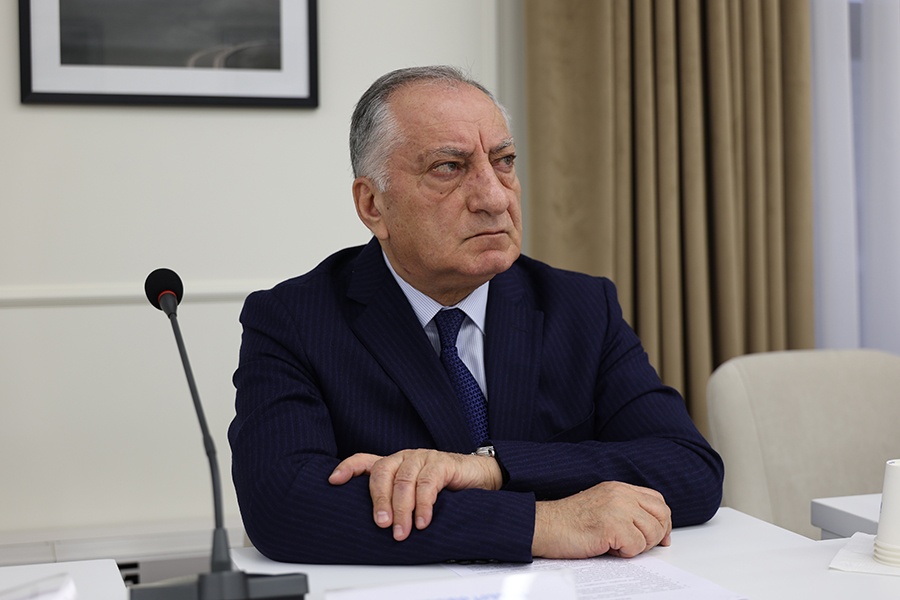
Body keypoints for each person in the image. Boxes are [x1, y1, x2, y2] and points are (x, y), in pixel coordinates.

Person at [228, 66, 724, 565]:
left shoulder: (580, 305)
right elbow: (283, 503)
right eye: (449, 167)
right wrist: (541, 524)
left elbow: (690, 469)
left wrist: (493, 468)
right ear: (373, 204)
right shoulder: (294, 320)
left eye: (504, 161)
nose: (494, 197)